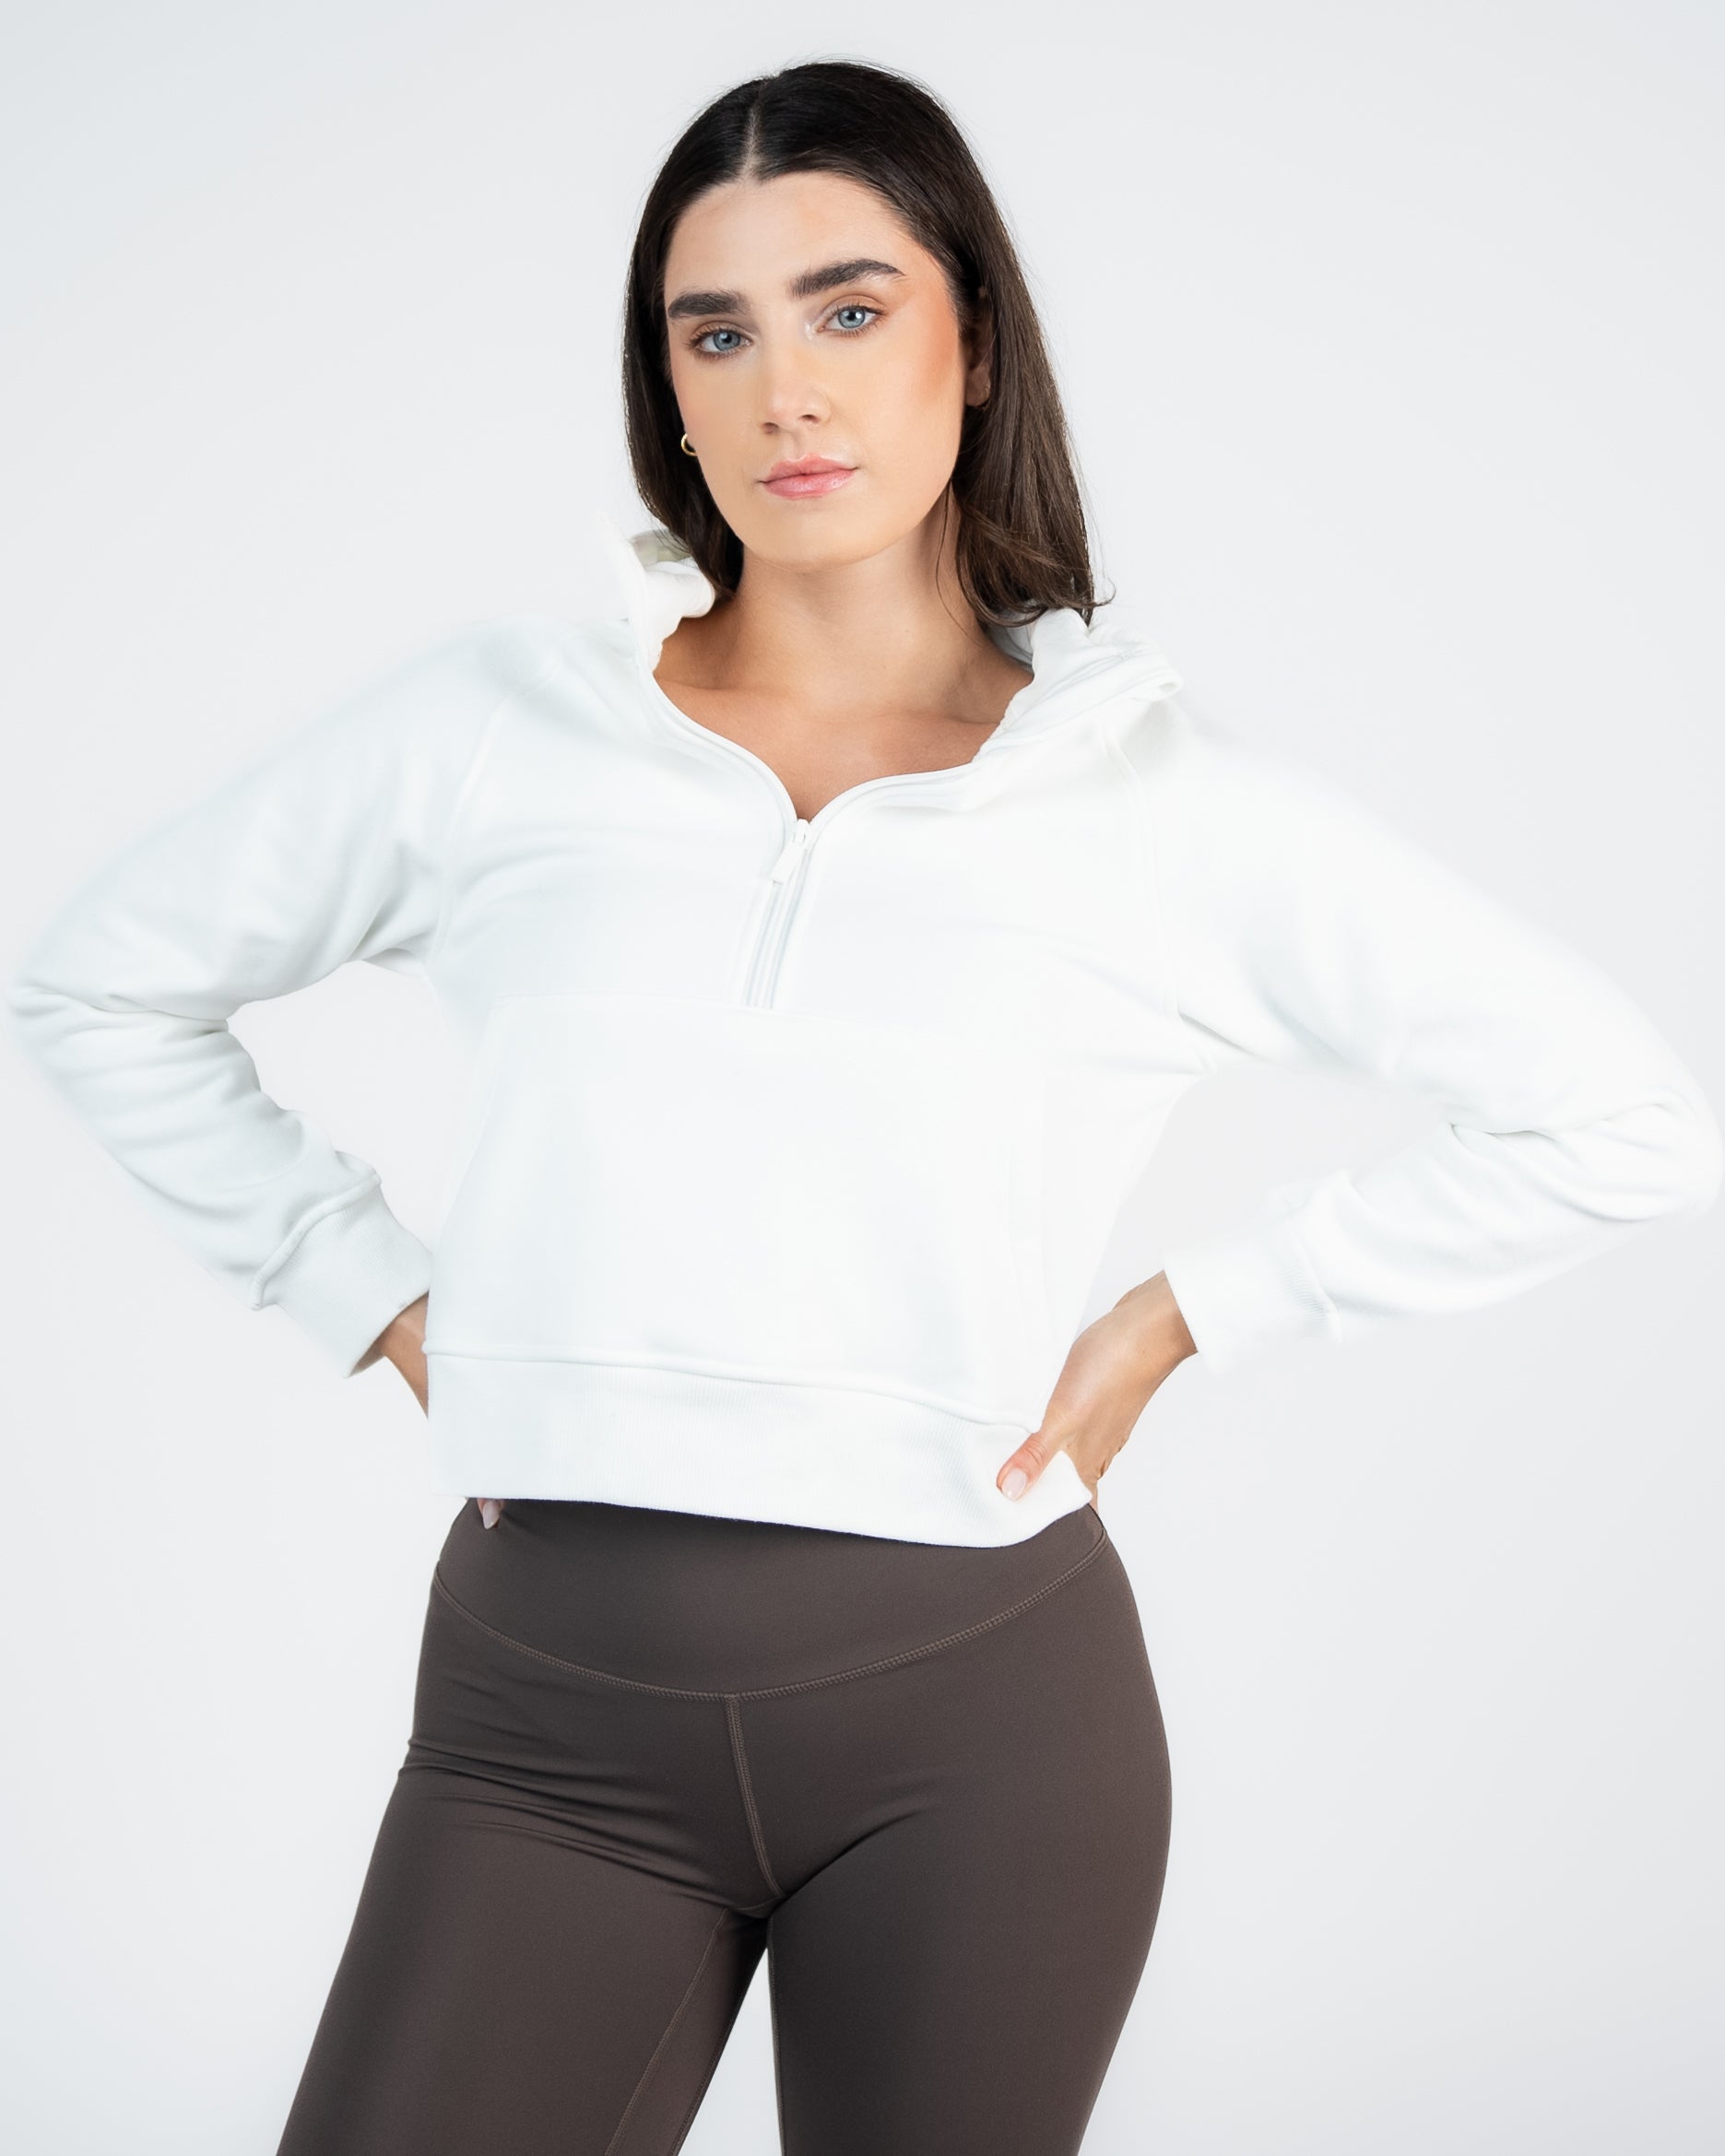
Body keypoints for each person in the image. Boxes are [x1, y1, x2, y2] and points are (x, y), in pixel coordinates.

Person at [6, 55, 1719, 2156]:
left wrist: (1190, 1313)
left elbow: (1621, 1118)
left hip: (979, 1731)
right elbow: (100, 979)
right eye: (715, 332)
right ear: (668, 387)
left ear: (972, 340)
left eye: (848, 308)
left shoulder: (1157, 804)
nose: (785, 391)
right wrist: (358, 1281)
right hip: (545, 1722)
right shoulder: (494, 732)